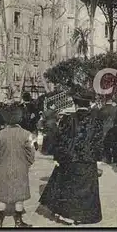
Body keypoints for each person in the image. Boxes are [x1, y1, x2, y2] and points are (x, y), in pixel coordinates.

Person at [39, 94, 103, 225]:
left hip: (70, 158)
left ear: (76, 105)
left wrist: (58, 157)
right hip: (88, 159)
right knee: (86, 189)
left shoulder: (68, 119)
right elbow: (98, 141)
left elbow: (61, 139)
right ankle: (83, 216)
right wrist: (97, 158)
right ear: (88, 105)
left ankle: (67, 215)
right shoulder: (96, 120)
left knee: (69, 187)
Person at [0, 105, 35, 227]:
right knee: (19, 196)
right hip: (21, 168)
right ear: (19, 118)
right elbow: (31, 152)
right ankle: (19, 222)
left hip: (4, 168)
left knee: (2, 195)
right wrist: (28, 163)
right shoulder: (27, 134)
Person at [99, 98, 117, 164]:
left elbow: (99, 119)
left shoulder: (103, 108)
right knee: (115, 145)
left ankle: (108, 159)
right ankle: (115, 159)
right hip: (115, 129)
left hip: (105, 129)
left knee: (106, 145)